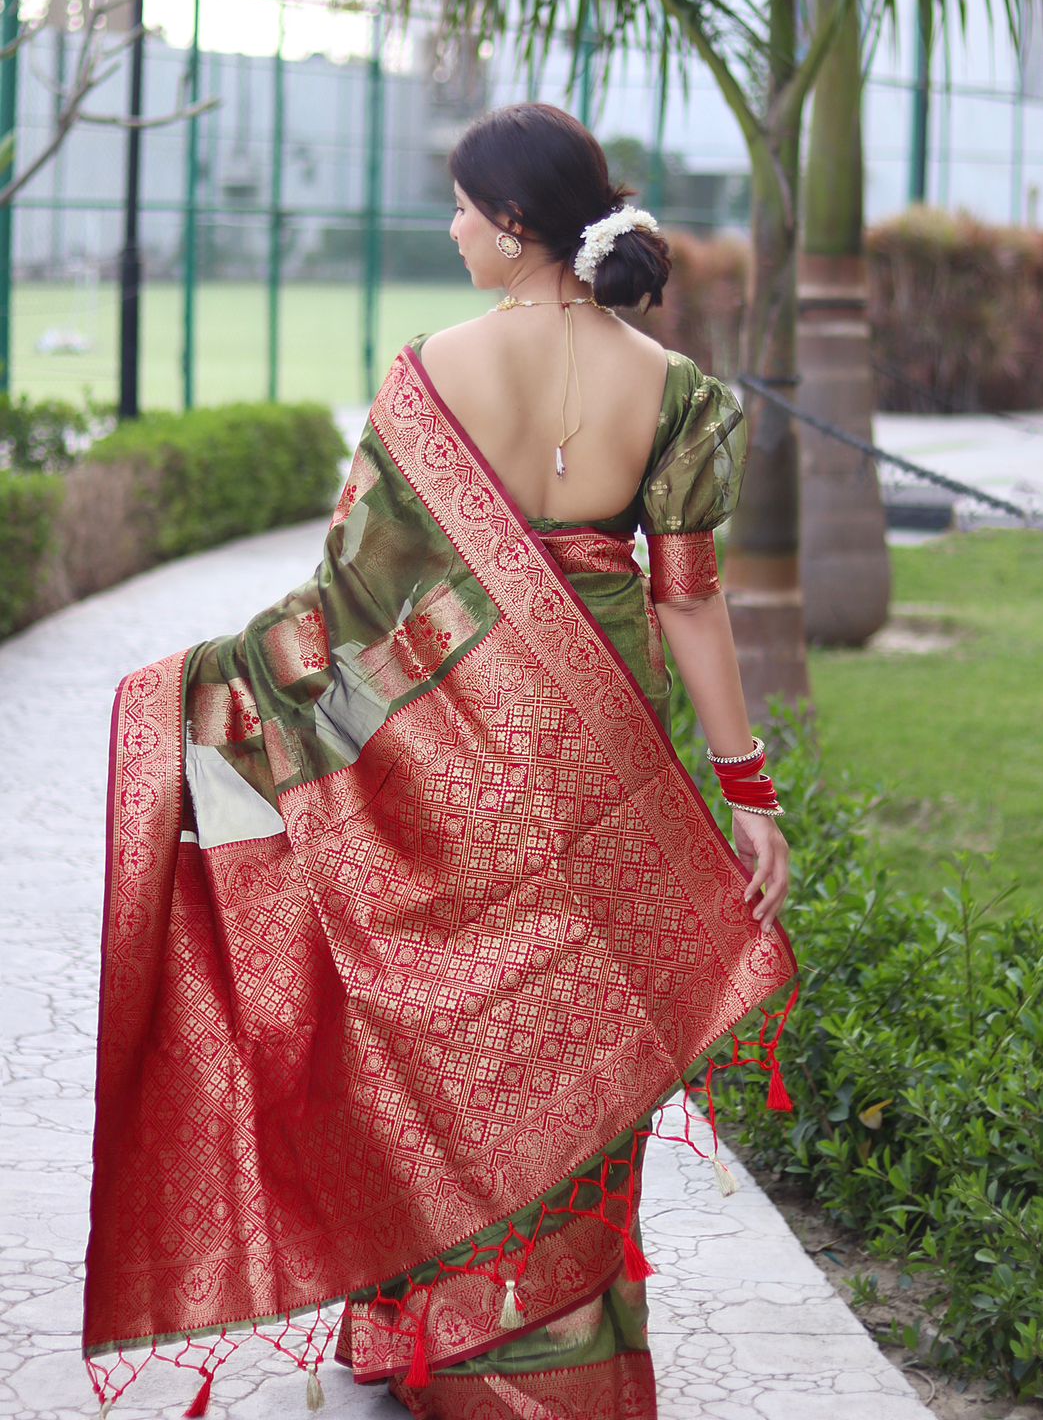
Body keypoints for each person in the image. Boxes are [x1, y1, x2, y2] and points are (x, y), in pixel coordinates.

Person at [83, 102, 797, 1420]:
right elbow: (693, 605)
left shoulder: (430, 374)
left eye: (465, 206)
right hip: (612, 769)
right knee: (583, 1053)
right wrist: (744, 791)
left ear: (517, 222)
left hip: (463, 781)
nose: (452, 227)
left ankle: (445, 1352)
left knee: (453, 1051)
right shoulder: (681, 393)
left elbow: (346, 613)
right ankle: (569, 1374)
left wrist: (218, 716)